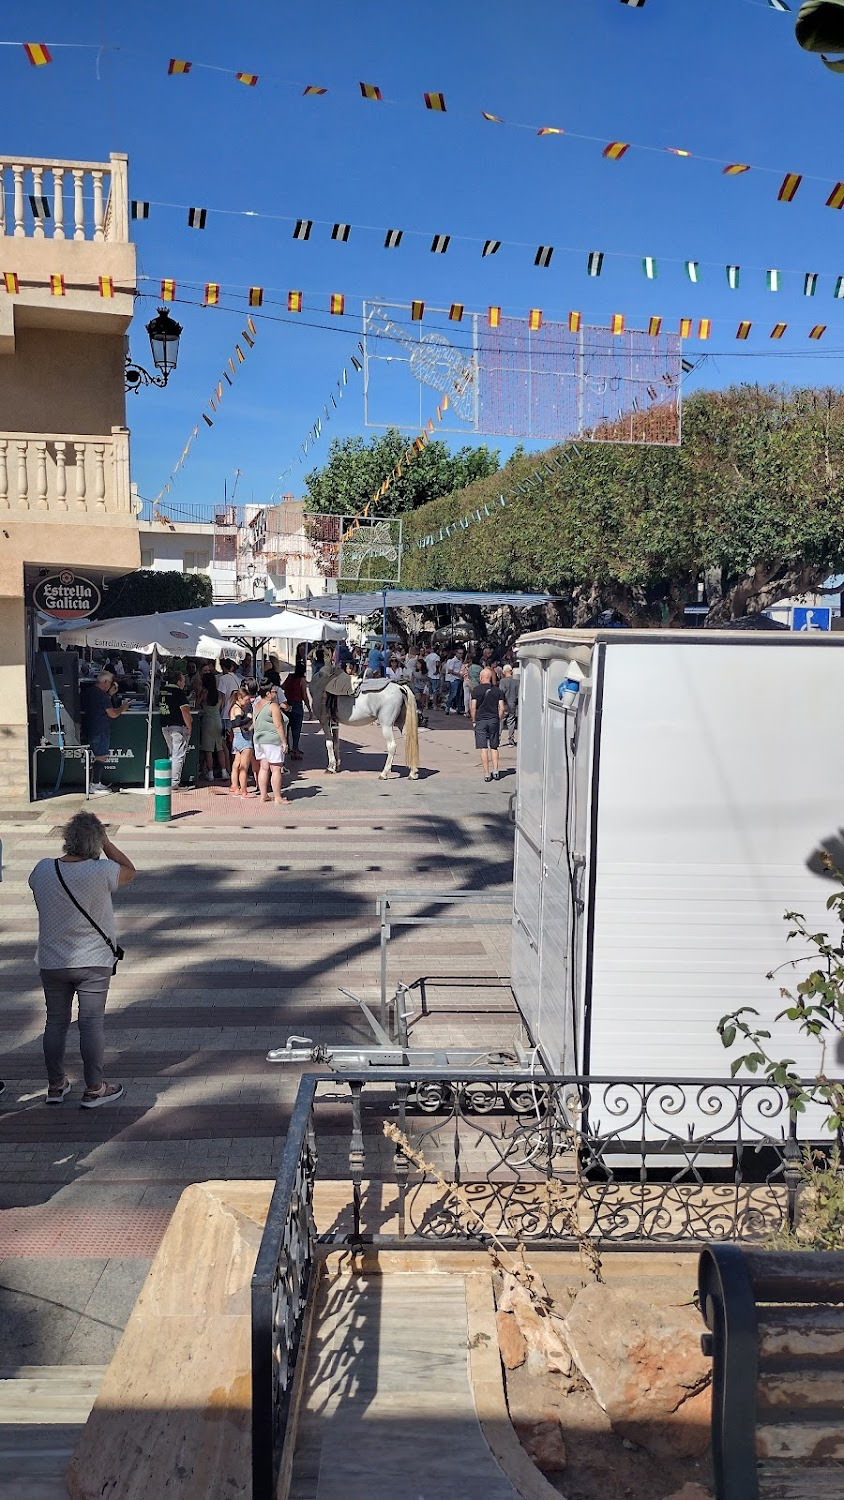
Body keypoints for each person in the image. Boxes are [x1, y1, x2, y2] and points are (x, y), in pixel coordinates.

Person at [28, 811, 136, 1107]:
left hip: (52, 960)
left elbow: (38, 894)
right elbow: (130, 869)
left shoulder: (42, 869)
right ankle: (95, 1088)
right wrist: (106, 841)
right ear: (95, 843)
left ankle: (55, 1085)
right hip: (93, 962)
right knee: (90, 1024)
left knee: (55, 1022)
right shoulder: (101, 871)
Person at [81, 670, 127, 795]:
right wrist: (122, 708)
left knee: (99, 755)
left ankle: (96, 783)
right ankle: (95, 784)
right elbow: (112, 713)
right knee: (101, 756)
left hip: (91, 727)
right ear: (105, 682)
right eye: (111, 683)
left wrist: (110, 695)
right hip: (99, 729)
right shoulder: (101, 695)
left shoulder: (90, 692)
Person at [252, 678, 289, 804]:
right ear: (268, 693)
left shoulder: (256, 704)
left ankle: (264, 795)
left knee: (264, 767)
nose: (275, 693)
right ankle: (278, 797)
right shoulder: (273, 706)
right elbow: (278, 725)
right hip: (272, 740)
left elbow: (254, 723)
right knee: (276, 769)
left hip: (259, 740)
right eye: (274, 691)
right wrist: (284, 742)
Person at [470, 667, 506, 782]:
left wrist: (474, 720)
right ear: (490, 678)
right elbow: (502, 708)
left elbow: (473, 707)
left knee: (483, 748)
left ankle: (486, 773)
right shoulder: (497, 691)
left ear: (481, 678)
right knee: (494, 747)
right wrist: (498, 718)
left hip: (480, 720)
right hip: (493, 720)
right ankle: (496, 771)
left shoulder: (476, 690)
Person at [159, 669, 193, 790]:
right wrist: (189, 727)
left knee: (173, 753)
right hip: (177, 727)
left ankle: (169, 779)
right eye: (183, 680)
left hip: (165, 726)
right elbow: (185, 712)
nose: (184, 683)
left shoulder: (162, 690)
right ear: (178, 681)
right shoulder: (179, 693)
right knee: (178, 755)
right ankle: (174, 783)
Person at [198, 669, 230, 782]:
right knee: (220, 748)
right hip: (218, 720)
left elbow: (197, 703)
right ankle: (224, 772)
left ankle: (210, 773)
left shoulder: (204, 692)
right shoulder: (219, 694)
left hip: (207, 721)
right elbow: (222, 706)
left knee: (209, 750)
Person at [281, 663, 311, 760]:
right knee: (296, 729)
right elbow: (304, 695)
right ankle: (295, 749)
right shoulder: (302, 680)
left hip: (287, 703)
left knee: (287, 727)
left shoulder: (290, 677)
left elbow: (283, 687)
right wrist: (309, 709)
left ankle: (288, 747)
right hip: (297, 705)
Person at [229, 686, 255, 797]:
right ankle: (244, 791)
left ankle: (235, 786)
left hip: (237, 737)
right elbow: (237, 722)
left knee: (236, 764)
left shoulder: (234, 707)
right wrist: (249, 718)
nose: (248, 702)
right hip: (244, 738)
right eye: (246, 700)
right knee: (244, 766)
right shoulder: (238, 709)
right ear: (240, 698)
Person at [216, 659, 242, 741]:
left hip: (226, 713)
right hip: (236, 711)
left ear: (223, 667)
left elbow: (222, 698)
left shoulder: (223, 679)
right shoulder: (238, 679)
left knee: (225, 739)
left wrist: (218, 711)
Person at [500, 663, 519, 746]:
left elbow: (501, 693)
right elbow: (519, 693)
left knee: (501, 720)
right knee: (511, 721)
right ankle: (511, 740)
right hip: (513, 703)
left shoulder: (503, 681)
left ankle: (497, 739)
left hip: (504, 703)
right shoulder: (517, 681)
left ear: (504, 672)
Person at [444, 648, 465, 714]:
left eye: (462, 653)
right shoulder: (453, 661)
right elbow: (450, 670)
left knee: (459, 694)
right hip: (454, 679)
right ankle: (448, 706)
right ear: (456, 653)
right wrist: (458, 674)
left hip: (459, 678)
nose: (461, 655)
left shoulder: (460, 660)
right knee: (453, 693)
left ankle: (458, 708)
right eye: (459, 653)